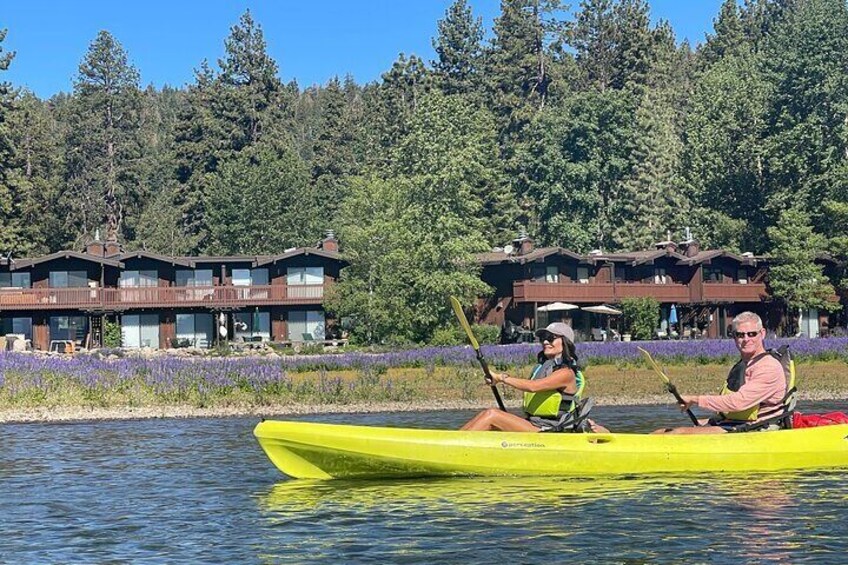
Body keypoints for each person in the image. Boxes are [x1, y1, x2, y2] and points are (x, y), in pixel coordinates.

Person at [654, 311, 788, 434]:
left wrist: (695, 400)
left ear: (762, 333)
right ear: (734, 337)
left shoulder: (768, 367)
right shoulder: (745, 364)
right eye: (740, 335)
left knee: (676, 434)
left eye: (752, 334)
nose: (746, 339)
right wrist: (712, 420)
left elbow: (738, 403)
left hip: (756, 429)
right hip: (738, 422)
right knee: (661, 432)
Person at [461, 322, 601, 432]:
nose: (545, 342)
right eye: (543, 338)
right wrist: (496, 380)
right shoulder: (542, 369)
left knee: (492, 415)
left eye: (551, 338)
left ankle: (452, 447)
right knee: (487, 414)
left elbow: (533, 387)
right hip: (533, 424)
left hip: (549, 431)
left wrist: (501, 378)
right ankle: (453, 442)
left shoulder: (566, 373)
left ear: (565, 343)